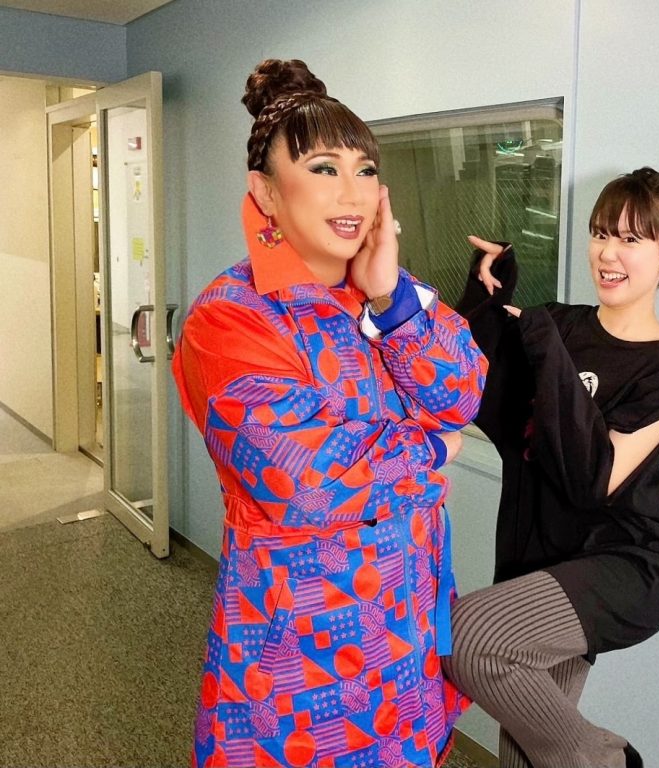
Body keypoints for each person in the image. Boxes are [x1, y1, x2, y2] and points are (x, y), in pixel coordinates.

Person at [172, 59, 486, 768]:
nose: (352, 192)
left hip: (407, 625)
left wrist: (392, 301)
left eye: (366, 170)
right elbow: (308, 482)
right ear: (265, 191)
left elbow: (462, 394)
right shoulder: (231, 319)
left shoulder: (389, 294)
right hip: (301, 650)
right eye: (322, 168)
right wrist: (432, 450)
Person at [443, 167, 659, 768]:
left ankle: (608, 761)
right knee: (528, 756)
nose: (608, 254)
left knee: (470, 637)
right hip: (541, 554)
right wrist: (486, 299)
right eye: (601, 233)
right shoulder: (558, 324)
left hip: (624, 561)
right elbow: (479, 398)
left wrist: (542, 342)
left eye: (632, 239)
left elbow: (593, 480)